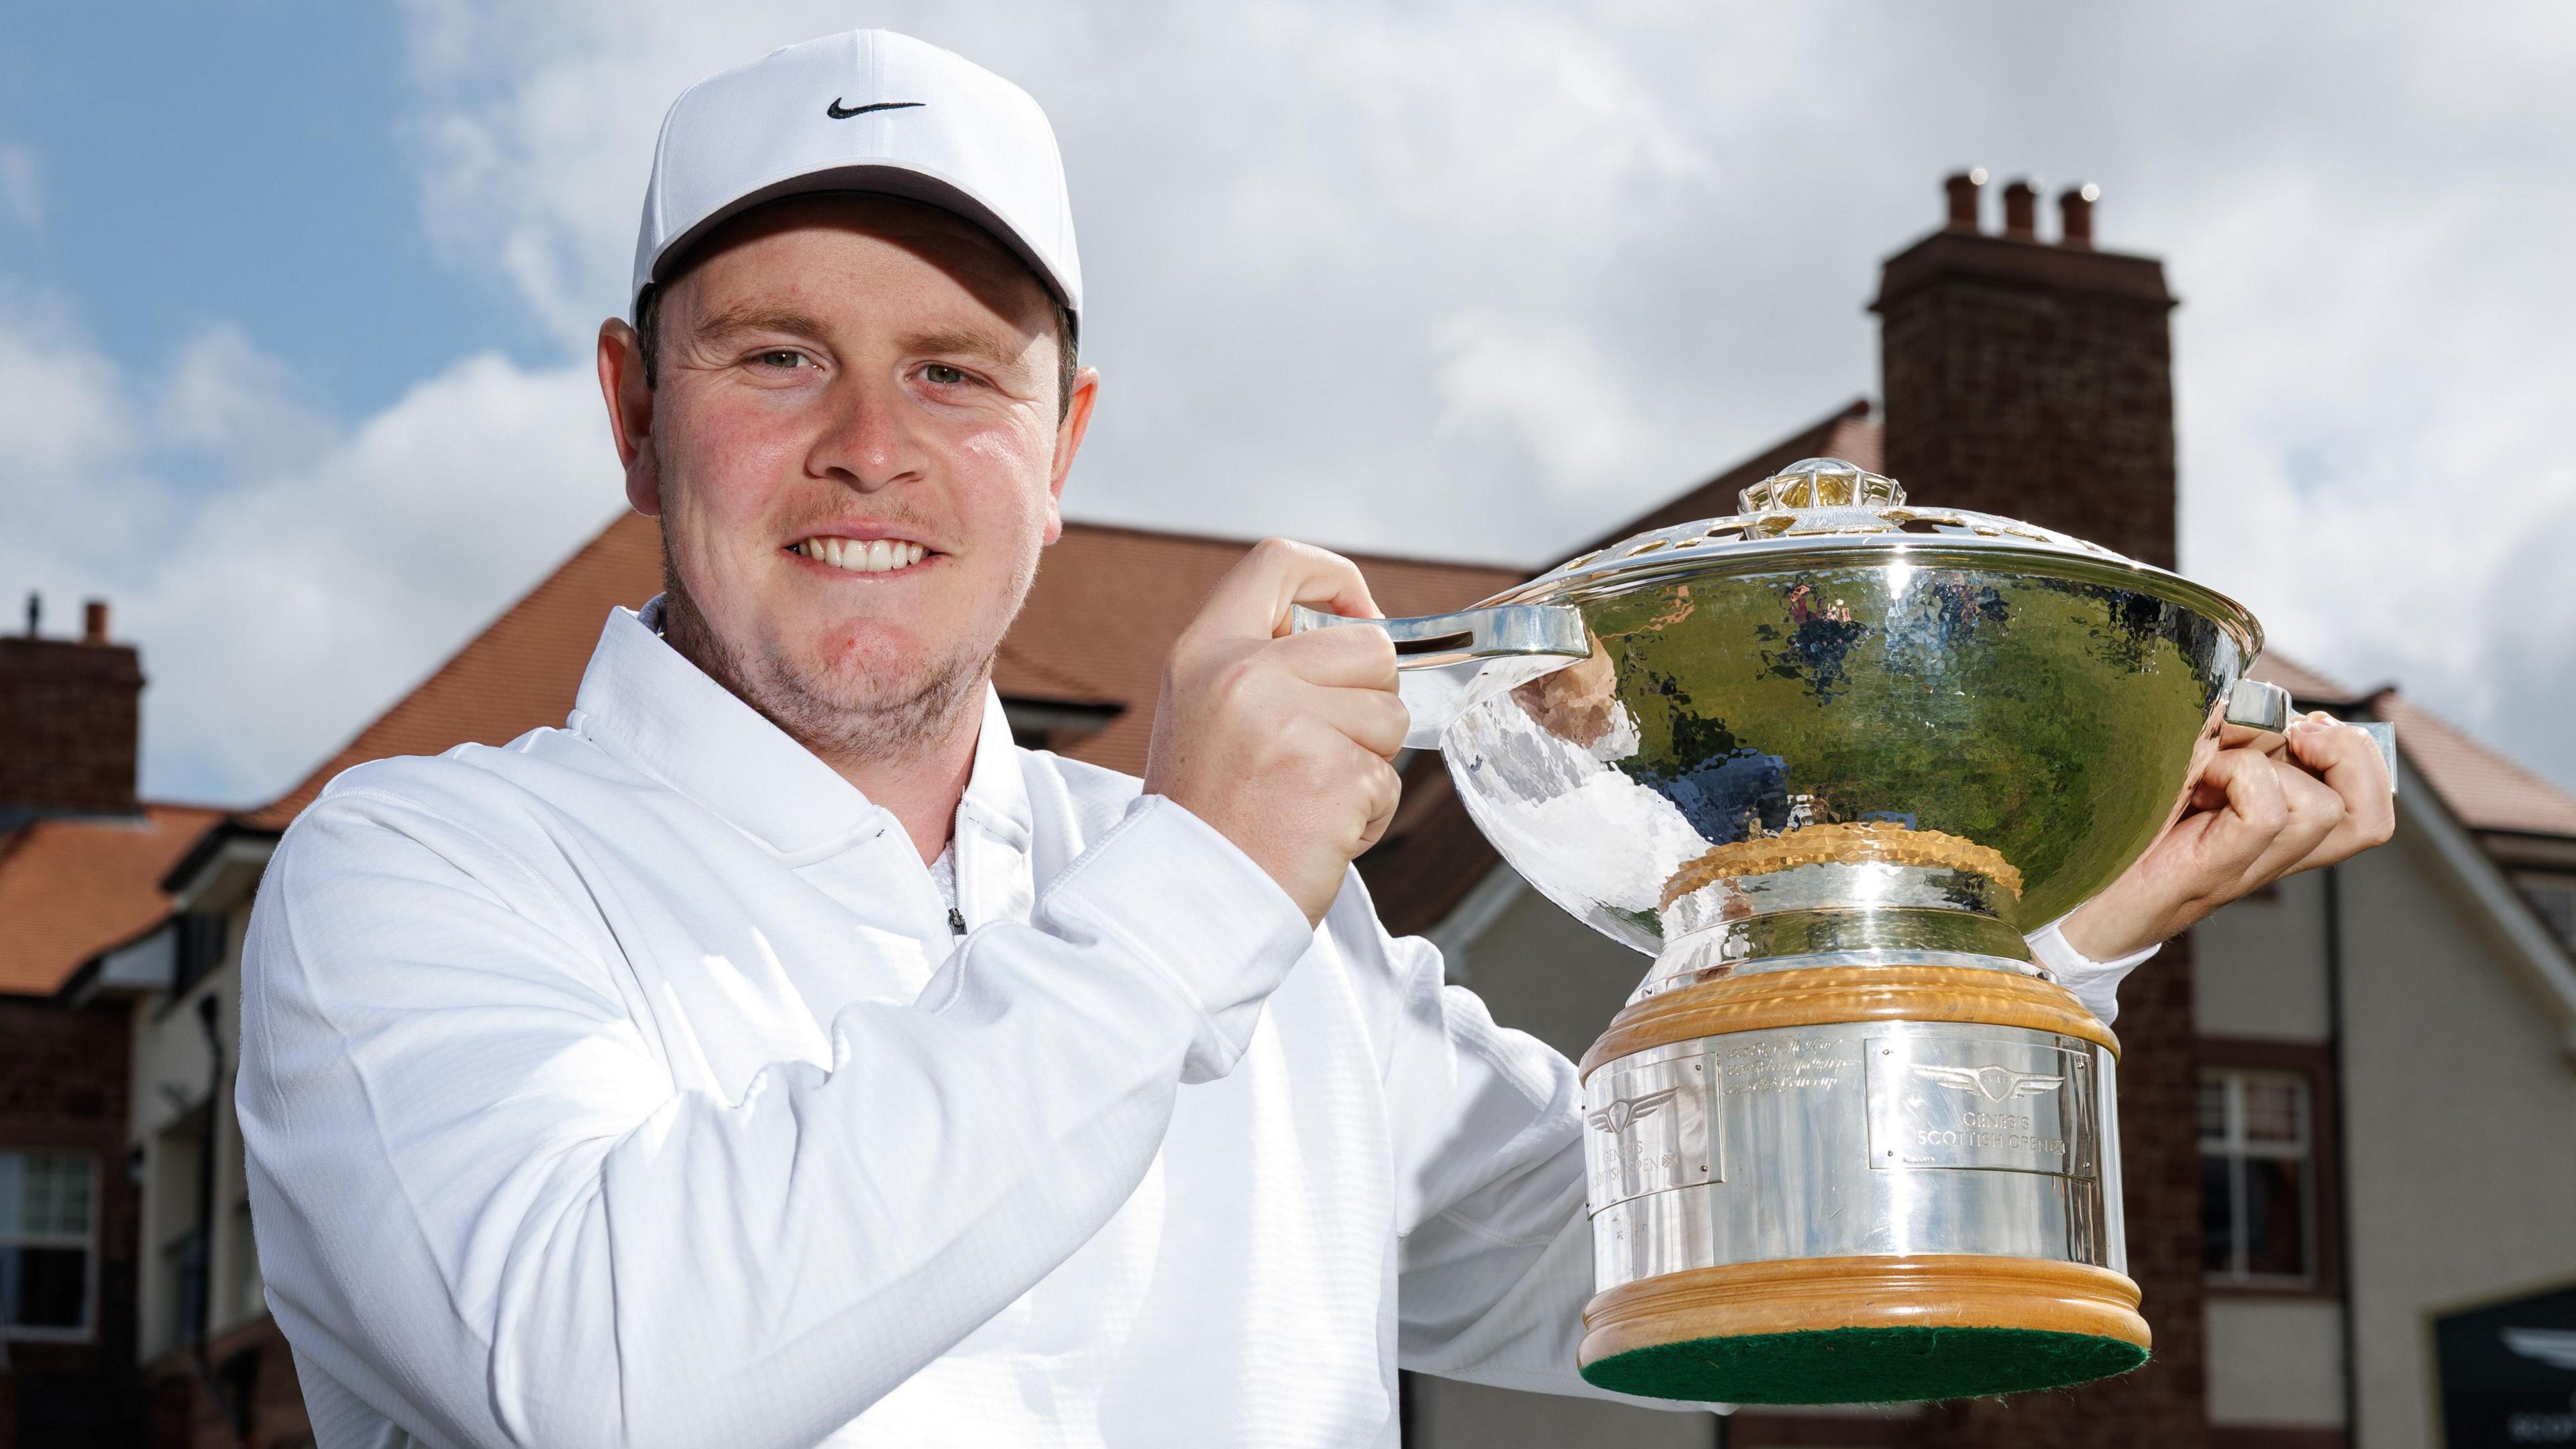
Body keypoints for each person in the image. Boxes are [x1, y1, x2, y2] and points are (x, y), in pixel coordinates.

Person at [236, 29, 2395, 1449]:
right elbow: (604, 1382)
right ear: (634, 412)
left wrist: (2032, 929)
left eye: (959, 375)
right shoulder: (418, 876)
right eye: (777, 357)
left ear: (1064, 441)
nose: (872, 449)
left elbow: (1673, 1265)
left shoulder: (1253, 921)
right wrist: (1199, 887)